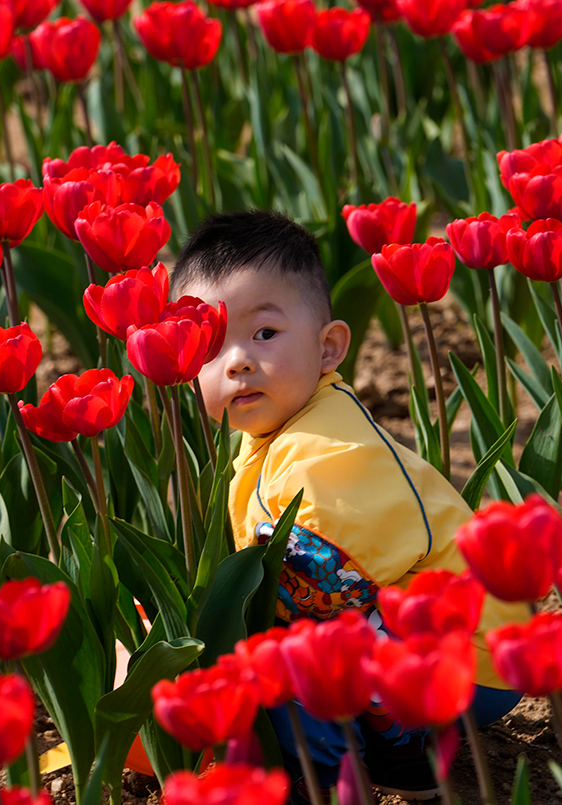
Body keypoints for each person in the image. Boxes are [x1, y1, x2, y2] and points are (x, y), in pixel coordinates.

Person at [173, 211, 526, 801]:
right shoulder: (280, 429)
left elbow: (322, 580)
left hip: (470, 654)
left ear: (330, 347)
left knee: (285, 663)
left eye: (263, 334)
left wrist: (212, 632)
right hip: (452, 642)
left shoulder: (327, 446)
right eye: (210, 345)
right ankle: (398, 745)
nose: (235, 361)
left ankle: (333, 768)